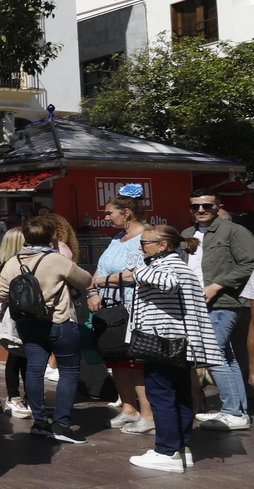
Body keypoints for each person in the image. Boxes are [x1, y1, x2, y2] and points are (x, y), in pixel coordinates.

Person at [124, 225, 221, 472]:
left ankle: (166, 452)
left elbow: (168, 283)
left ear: (163, 246)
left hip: (165, 342)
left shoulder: (168, 266)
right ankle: (180, 448)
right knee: (180, 395)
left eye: (145, 243)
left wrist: (136, 274)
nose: (141, 247)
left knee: (161, 395)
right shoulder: (179, 265)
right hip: (179, 343)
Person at [0, 214, 94, 443]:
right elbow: (86, 280)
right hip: (59, 322)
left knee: (34, 371)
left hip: (28, 325)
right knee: (69, 372)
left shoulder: (13, 262)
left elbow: (0, 293)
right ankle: (61, 425)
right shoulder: (57, 260)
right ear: (51, 237)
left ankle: (39, 423)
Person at [187, 190, 253, 430]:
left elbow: (250, 262)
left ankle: (232, 410)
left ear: (218, 207)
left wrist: (217, 286)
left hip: (224, 302)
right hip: (194, 304)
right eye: (196, 207)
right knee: (223, 355)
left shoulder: (235, 231)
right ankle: (239, 412)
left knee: (211, 354)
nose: (201, 210)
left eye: (207, 206)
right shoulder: (186, 234)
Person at [90, 190, 155, 434]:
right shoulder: (117, 238)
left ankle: (148, 416)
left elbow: (132, 275)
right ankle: (129, 409)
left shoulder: (145, 237)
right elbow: (100, 268)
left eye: (109, 213)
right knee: (116, 359)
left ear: (126, 213)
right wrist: (92, 292)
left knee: (135, 362)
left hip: (133, 307)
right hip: (111, 310)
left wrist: (100, 283)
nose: (106, 217)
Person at [0, 226, 31, 419]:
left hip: (24, 315)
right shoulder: (10, 265)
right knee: (16, 356)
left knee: (25, 356)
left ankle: (26, 397)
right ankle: (13, 397)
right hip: (14, 316)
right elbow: (1, 293)